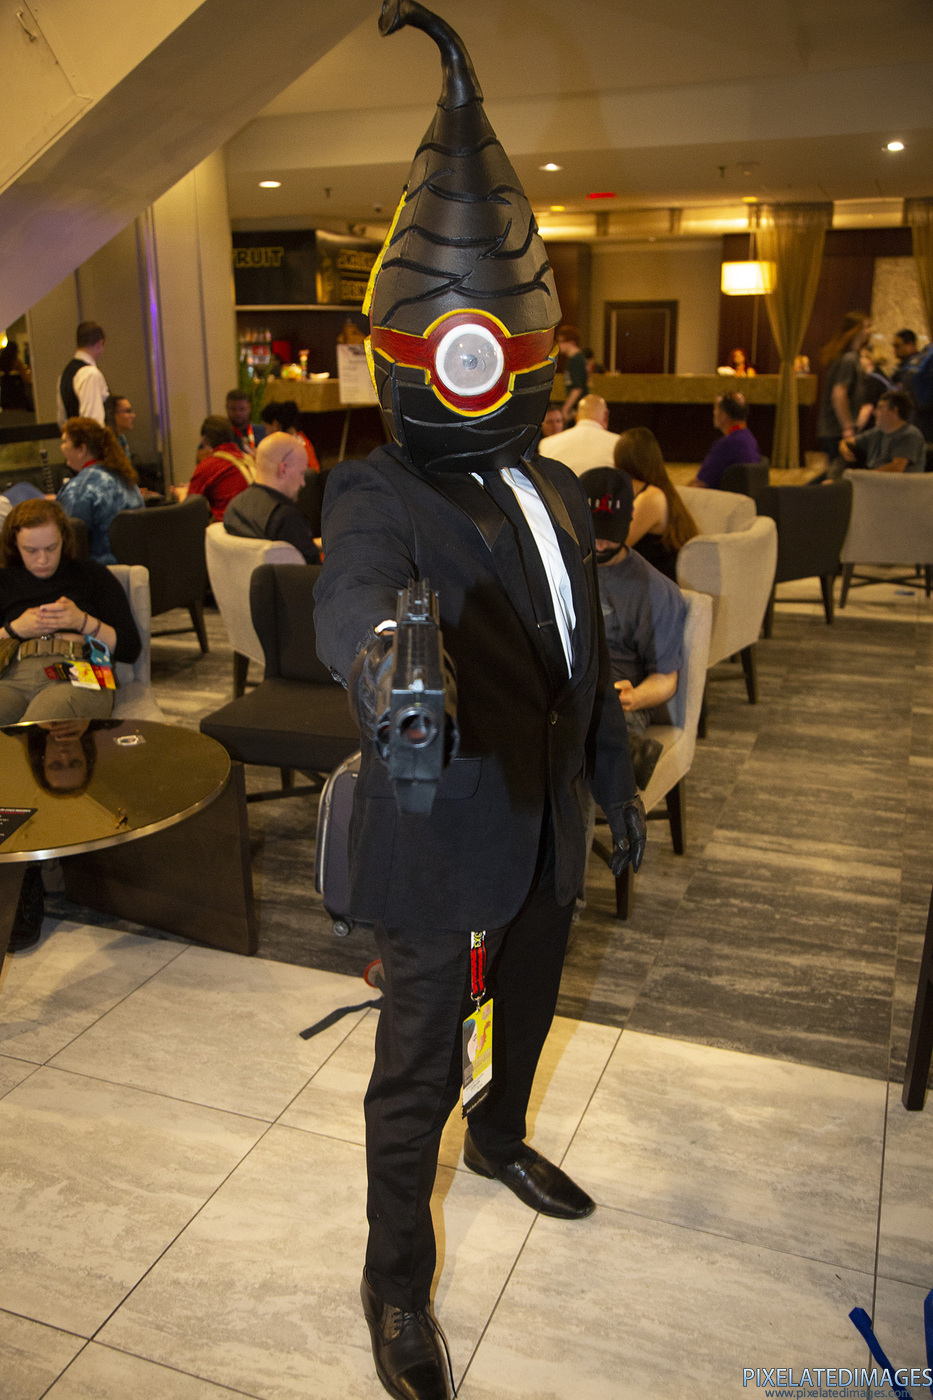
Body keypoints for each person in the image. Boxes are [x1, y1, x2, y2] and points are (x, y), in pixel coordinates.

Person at [313, 7, 646, 1398]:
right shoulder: (373, 491)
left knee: (534, 1003)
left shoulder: (559, 484)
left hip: (548, 828)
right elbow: (355, 602)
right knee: (413, 1073)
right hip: (439, 831)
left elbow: (580, 656)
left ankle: (502, 1136)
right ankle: (395, 1285)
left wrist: (612, 781)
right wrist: (394, 676)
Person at [581, 466, 686, 790]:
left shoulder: (657, 591)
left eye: (610, 533)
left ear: (629, 523)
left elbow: (666, 679)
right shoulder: (557, 566)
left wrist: (635, 697)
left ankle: (614, 752)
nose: (600, 543)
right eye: (593, 530)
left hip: (617, 695)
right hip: (564, 683)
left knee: (593, 726)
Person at [0, 498, 140, 725]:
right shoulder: (4, 581)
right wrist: (14, 629)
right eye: (31, 550)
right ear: (15, 544)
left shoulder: (92, 575)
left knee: (41, 724)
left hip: (80, 668)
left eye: (51, 548)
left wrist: (83, 622)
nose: (42, 559)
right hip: (14, 672)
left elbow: (130, 649)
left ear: (63, 540)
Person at [614, 426, 698, 581]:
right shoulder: (657, 491)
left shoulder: (651, 498)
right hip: (644, 581)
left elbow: (616, 549)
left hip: (655, 587)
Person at [56, 417, 144, 564]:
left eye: (65, 442)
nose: (62, 447)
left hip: (97, 572)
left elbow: (67, 543)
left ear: (82, 450)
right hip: (136, 569)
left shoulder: (79, 489)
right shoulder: (126, 479)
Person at [223, 432, 322, 562]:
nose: (303, 483)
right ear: (283, 469)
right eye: (302, 473)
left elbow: (284, 548)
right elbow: (316, 570)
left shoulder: (235, 506)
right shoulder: (286, 519)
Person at [172, 416, 253, 522]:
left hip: (230, 527)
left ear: (204, 441)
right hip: (259, 526)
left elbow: (190, 511)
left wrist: (182, 494)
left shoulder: (209, 464)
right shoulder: (250, 459)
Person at [816, 311, 871, 463]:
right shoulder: (849, 359)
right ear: (856, 330)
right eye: (866, 327)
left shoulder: (848, 357)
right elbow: (839, 394)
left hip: (833, 429)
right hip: (836, 430)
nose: (870, 331)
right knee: (838, 471)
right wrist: (847, 428)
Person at [838, 388, 926, 473]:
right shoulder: (878, 432)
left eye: (880, 408)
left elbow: (896, 468)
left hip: (894, 482)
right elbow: (849, 441)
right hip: (872, 480)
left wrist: (863, 476)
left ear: (894, 410)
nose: (875, 412)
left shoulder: (909, 435)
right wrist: (844, 446)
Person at [689, 393, 761, 490]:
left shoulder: (726, 445)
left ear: (723, 415)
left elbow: (700, 483)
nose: (713, 413)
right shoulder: (750, 438)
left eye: (715, 409)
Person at [537, 393, 619, 474]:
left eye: (558, 421)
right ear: (606, 416)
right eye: (549, 422)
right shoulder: (618, 443)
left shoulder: (546, 444)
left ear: (576, 417)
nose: (555, 426)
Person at [57, 321, 109, 426]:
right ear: (100, 344)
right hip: (88, 435)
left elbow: (61, 419)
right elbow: (93, 422)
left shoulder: (65, 375)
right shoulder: (90, 374)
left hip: (73, 434)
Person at [259, 398, 321, 471]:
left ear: (275, 424)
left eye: (266, 427)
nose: (266, 432)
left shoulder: (290, 447)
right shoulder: (300, 440)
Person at [556, 324, 588, 424]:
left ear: (571, 341)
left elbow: (578, 388)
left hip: (578, 407)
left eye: (562, 341)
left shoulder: (577, 359)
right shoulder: (572, 359)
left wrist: (566, 408)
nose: (559, 344)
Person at [225, 389, 266, 454]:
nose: (238, 413)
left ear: (249, 408)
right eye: (233, 409)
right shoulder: (222, 434)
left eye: (242, 409)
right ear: (227, 408)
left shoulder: (262, 432)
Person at [0, 336, 34, 412]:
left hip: (5, 397)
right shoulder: (16, 362)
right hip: (17, 397)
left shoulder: (2, 363)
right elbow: (25, 378)